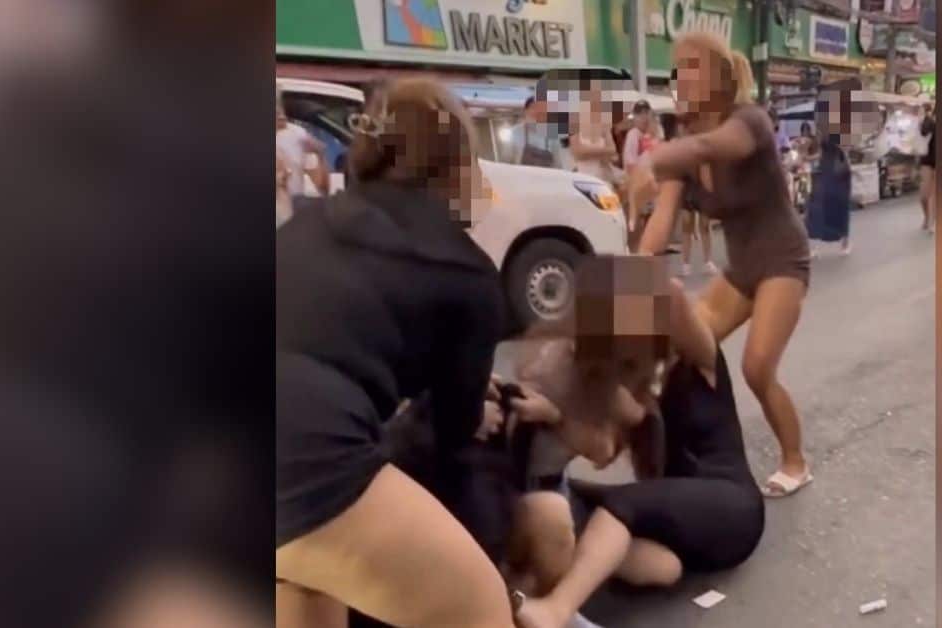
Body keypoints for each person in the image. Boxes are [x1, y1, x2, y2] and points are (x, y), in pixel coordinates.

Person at [275, 79, 518, 628]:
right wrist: (477, 408)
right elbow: (455, 431)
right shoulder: (468, 273)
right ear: (460, 167)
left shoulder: (314, 219)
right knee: (482, 612)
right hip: (305, 456)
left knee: (307, 582)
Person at [509, 258, 763, 628]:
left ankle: (557, 609)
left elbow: (672, 295)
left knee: (620, 505)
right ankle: (530, 584)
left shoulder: (701, 360)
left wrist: (617, 281)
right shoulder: (630, 391)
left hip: (731, 505)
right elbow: (602, 452)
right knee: (661, 565)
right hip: (679, 522)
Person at [632, 33, 814, 497]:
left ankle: (796, 460)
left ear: (720, 75)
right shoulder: (682, 144)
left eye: (693, 65)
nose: (683, 76)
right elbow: (662, 223)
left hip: (783, 260)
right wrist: (629, 275)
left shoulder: (747, 122)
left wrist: (651, 161)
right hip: (741, 270)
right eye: (678, 67)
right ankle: (691, 456)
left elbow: (711, 149)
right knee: (680, 354)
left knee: (757, 368)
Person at [806, 131, 853, 257]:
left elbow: (846, 150)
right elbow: (821, 154)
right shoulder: (822, 132)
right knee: (816, 206)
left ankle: (845, 243)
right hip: (826, 172)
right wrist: (807, 158)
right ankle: (813, 245)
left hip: (840, 173)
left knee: (841, 208)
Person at [622, 100, 664, 239]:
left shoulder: (655, 134)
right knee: (639, 221)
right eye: (640, 114)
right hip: (639, 183)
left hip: (653, 183)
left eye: (646, 113)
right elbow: (630, 163)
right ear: (635, 116)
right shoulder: (633, 135)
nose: (644, 117)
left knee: (653, 219)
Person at [276, 90, 330, 198]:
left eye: (280, 106)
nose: (281, 113)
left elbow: (323, 189)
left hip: (291, 209)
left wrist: (320, 154)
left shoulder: (297, 134)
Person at [568, 81, 619, 187]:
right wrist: (603, 153)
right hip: (582, 181)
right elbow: (578, 152)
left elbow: (613, 151)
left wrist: (589, 152)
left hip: (603, 182)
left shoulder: (604, 123)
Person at [516, 96, 558, 168]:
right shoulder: (515, 132)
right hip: (521, 176)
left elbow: (558, 163)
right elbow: (506, 160)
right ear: (526, 110)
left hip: (546, 177)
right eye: (533, 107)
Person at [919, 103, 936, 233]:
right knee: (924, 195)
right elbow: (922, 133)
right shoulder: (929, 120)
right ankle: (927, 217)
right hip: (927, 159)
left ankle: (931, 222)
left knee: (933, 195)